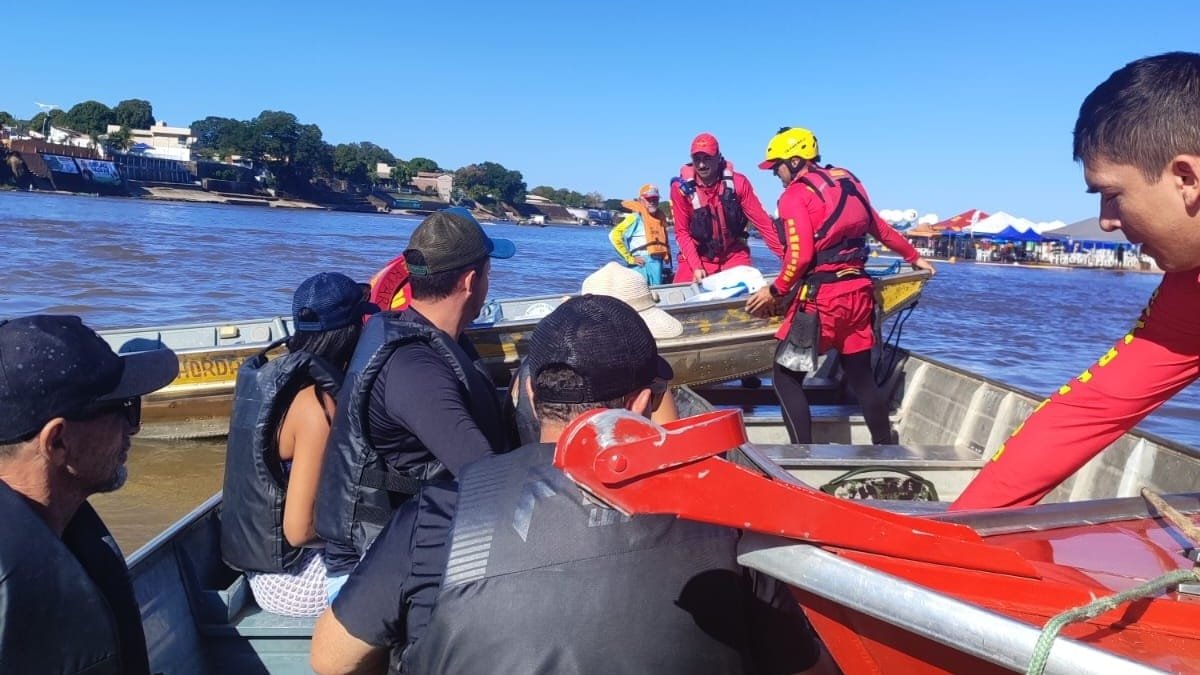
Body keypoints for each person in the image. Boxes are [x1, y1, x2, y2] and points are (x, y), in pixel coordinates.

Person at [311, 295, 828, 674]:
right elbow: (805, 668)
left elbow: (330, 660)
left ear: (532, 394)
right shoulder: (724, 524)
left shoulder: (442, 512)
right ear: (644, 403)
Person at [952, 52, 1200, 510]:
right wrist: (954, 532)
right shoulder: (1190, 291)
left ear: (1186, 177)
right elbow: (1091, 407)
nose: (1105, 222)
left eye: (1111, 195)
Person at [315, 207, 517, 600]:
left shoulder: (421, 332)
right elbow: (484, 477)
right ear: (471, 280)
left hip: (408, 542)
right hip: (369, 572)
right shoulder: (414, 367)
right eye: (489, 275)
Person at [0, 315, 179, 674]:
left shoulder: (58, 528)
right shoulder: (13, 600)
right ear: (58, 441)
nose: (134, 428)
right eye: (125, 409)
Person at [745, 127, 936, 445]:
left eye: (776, 165)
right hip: (860, 296)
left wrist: (775, 291)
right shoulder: (848, 181)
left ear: (794, 161)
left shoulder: (794, 195)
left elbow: (801, 256)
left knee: (785, 377)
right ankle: (885, 448)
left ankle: (801, 454)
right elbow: (880, 228)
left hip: (823, 302)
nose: (775, 174)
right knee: (861, 377)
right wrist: (914, 257)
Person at [221, 272, 379, 617]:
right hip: (292, 579)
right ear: (351, 332)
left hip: (260, 567)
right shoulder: (314, 407)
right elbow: (299, 530)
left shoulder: (276, 377)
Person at [670, 132, 785, 284]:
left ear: (718, 158)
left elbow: (764, 225)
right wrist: (696, 266)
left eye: (707, 158)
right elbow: (682, 232)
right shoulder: (681, 189)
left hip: (733, 254)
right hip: (698, 256)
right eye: (697, 159)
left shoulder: (739, 183)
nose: (702, 165)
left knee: (746, 299)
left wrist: (787, 259)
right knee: (681, 297)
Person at [609, 184, 672, 285]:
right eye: (649, 199)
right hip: (641, 265)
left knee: (657, 294)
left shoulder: (660, 218)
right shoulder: (635, 217)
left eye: (655, 199)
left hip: (657, 264)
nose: (652, 202)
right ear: (641, 200)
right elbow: (614, 235)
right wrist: (629, 258)